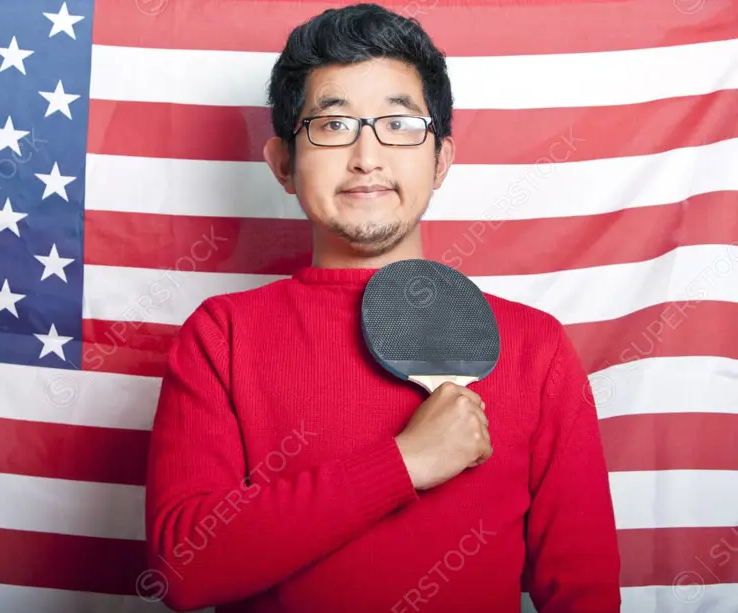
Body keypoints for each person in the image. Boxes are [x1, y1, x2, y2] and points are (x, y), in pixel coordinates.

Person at [143, 4, 622, 612]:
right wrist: (404, 463)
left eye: (400, 126)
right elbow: (182, 568)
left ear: (442, 160)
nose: (367, 156)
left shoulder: (536, 347)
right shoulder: (222, 336)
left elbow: (585, 594)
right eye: (334, 125)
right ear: (283, 163)